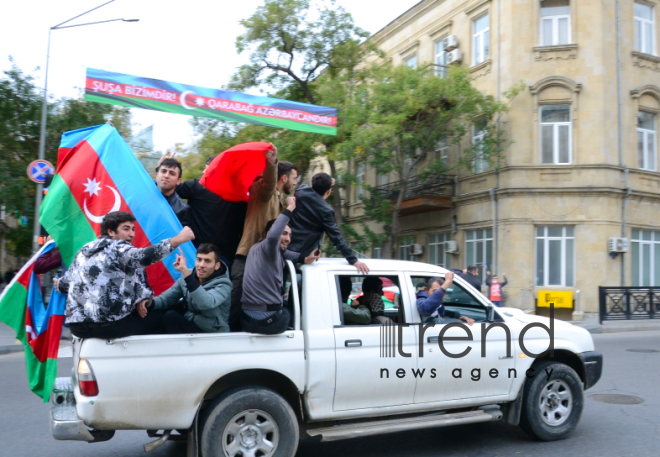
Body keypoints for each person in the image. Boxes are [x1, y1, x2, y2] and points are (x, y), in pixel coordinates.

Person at [57, 211, 195, 339]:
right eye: (126, 229)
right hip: (107, 325)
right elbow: (143, 257)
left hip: (77, 326)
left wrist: (58, 283)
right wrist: (178, 239)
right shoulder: (117, 247)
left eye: (133, 229)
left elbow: (65, 284)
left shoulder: (84, 251)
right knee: (168, 316)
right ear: (111, 232)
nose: (132, 234)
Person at [230, 145, 298, 331]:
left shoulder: (279, 200)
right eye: (293, 179)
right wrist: (271, 163)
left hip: (266, 265)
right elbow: (269, 184)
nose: (295, 184)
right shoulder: (263, 190)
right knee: (236, 307)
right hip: (247, 260)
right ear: (283, 178)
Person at [240, 197, 320, 335]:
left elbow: (285, 253)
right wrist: (290, 207)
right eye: (284, 233)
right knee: (293, 314)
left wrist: (304, 258)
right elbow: (273, 239)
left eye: (290, 235)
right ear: (271, 233)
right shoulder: (269, 245)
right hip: (266, 320)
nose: (288, 239)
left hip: (246, 319)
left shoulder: (256, 248)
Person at [288, 172, 369, 274]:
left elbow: (309, 187)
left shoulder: (300, 191)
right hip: (302, 254)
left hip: (285, 247)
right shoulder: (326, 211)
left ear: (312, 185)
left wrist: (327, 182)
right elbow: (336, 237)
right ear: (328, 192)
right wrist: (354, 260)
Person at [142, 243, 232, 333]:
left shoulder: (224, 284)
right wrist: (148, 303)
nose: (201, 265)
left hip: (214, 335)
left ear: (217, 266)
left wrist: (186, 273)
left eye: (207, 261)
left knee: (171, 317)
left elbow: (206, 303)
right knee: (154, 316)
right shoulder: (187, 276)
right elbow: (166, 299)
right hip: (192, 325)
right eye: (199, 260)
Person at [176, 155, 247, 267]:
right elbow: (170, 190)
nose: (204, 172)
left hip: (210, 255)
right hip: (208, 254)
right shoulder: (238, 194)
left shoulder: (197, 186)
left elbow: (169, 189)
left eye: (208, 169)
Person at [155, 157, 189, 226]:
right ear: (157, 175)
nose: (166, 176)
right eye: (163, 171)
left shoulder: (182, 209)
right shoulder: (143, 192)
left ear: (178, 181)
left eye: (172, 173)